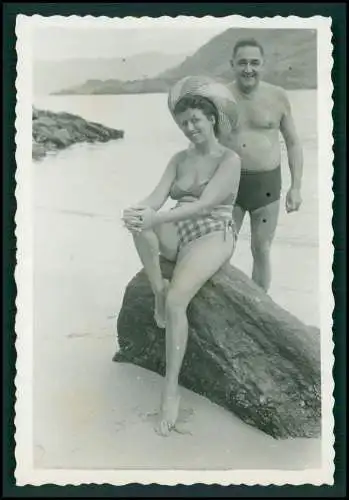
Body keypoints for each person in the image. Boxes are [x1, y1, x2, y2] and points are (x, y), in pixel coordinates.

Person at [122, 76, 241, 436]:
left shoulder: (230, 159)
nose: (190, 128)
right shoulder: (178, 159)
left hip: (212, 232)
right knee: (139, 224)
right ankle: (157, 286)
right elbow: (155, 199)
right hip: (177, 225)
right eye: (184, 123)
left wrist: (157, 216)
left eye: (196, 121)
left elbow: (206, 204)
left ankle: (169, 392)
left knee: (178, 303)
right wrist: (137, 211)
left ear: (213, 120)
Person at [220, 38, 303, 292]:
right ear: (232, 64)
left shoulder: (277, 96)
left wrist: (296, 186)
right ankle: (221, 306)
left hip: (266, 185)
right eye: (242, 62)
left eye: (254, 63)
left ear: (263, 65)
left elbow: (293, 142)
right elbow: (202, 142)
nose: (248, 69)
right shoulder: (219, 97)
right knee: (221, 248)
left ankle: (260, 307)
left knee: (261, 248)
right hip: (228, 184)